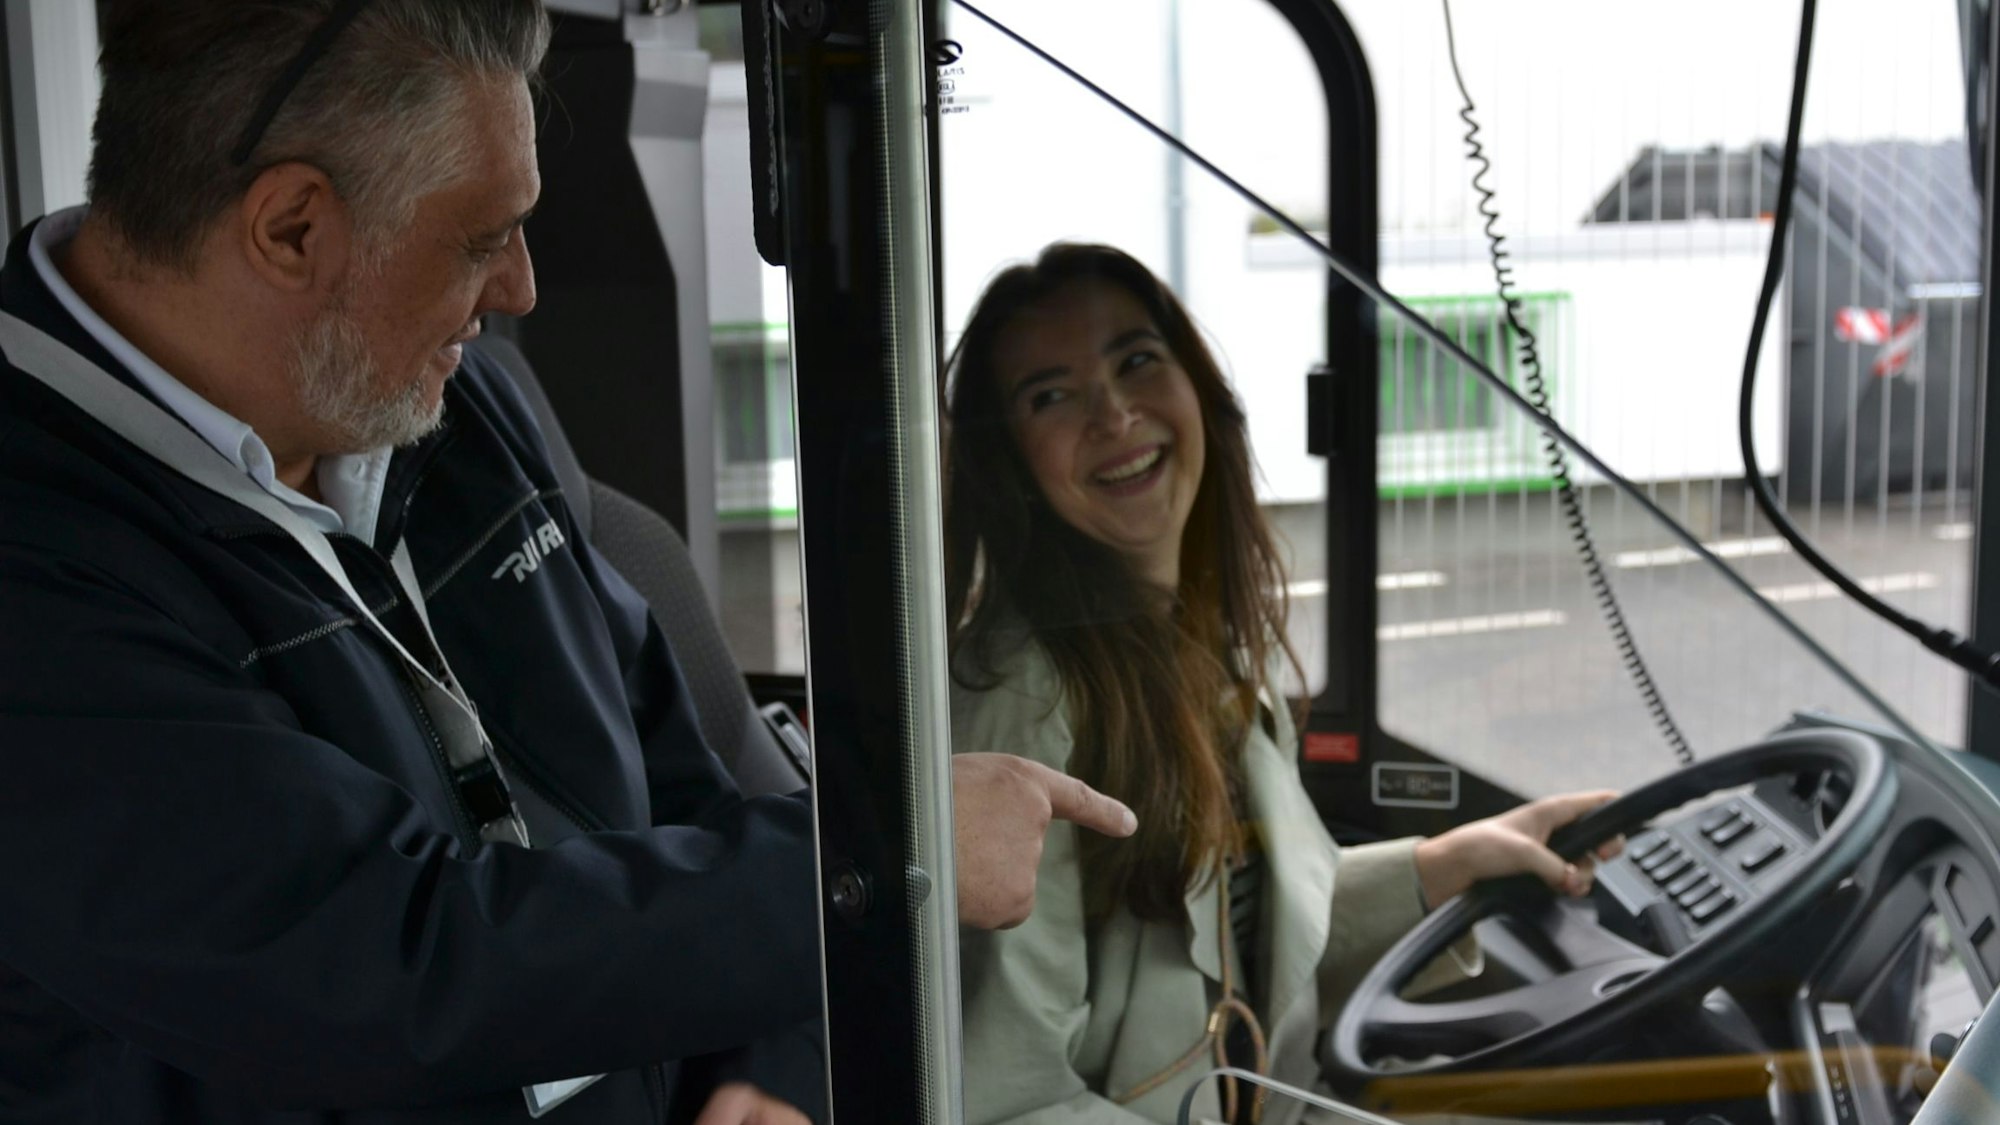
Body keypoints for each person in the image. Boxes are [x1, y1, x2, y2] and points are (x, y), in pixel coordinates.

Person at [0, 3, 1129, 1121]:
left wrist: (772, 1059)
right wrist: (875, 867)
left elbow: (682, 784)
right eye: (481, 239)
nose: (521, 289)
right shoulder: (39, 564)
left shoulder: (464, 404)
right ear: (292, 227)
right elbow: (382, 968)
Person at [943, 243, 1621, 1125]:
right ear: (1012, 467)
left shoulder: (1185, 639)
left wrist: (1445, 864)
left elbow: (1247, 919)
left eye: (1138, 360)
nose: (1114, 413)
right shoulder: (1025, 695)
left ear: (1198, 388)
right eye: (1051, 395)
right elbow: (1010, 1096)